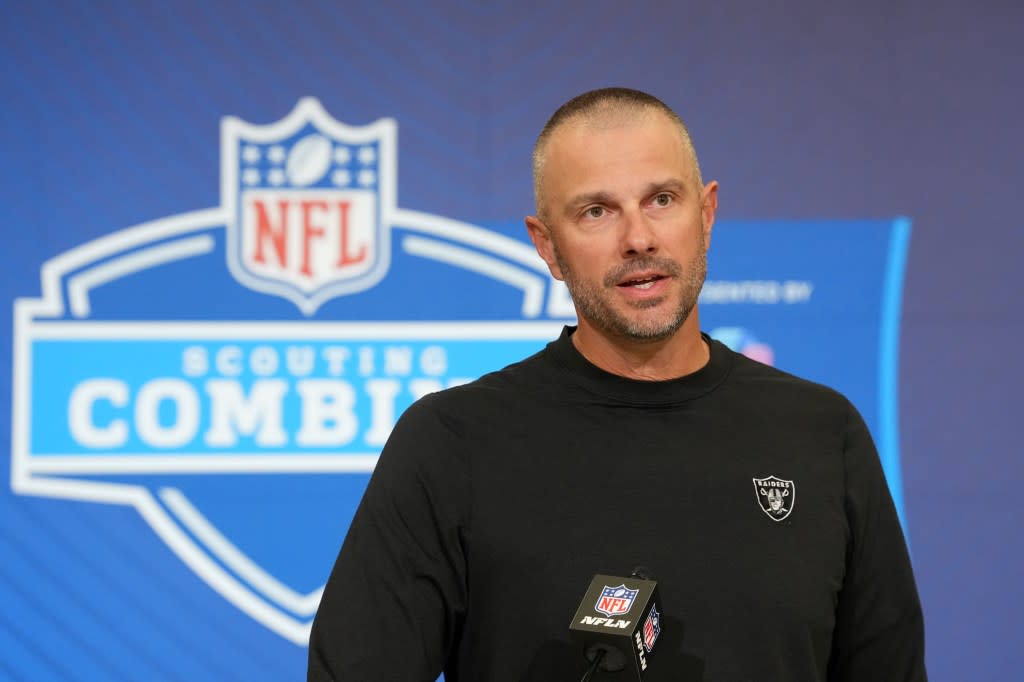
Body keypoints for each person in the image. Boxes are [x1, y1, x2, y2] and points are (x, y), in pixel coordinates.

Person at [308, 87, 927, 681]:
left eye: (662, 199)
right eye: (596, 211)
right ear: (547, 246)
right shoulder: (452, 443)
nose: (638, 238)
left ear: (706, 213)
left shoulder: (821, 432)